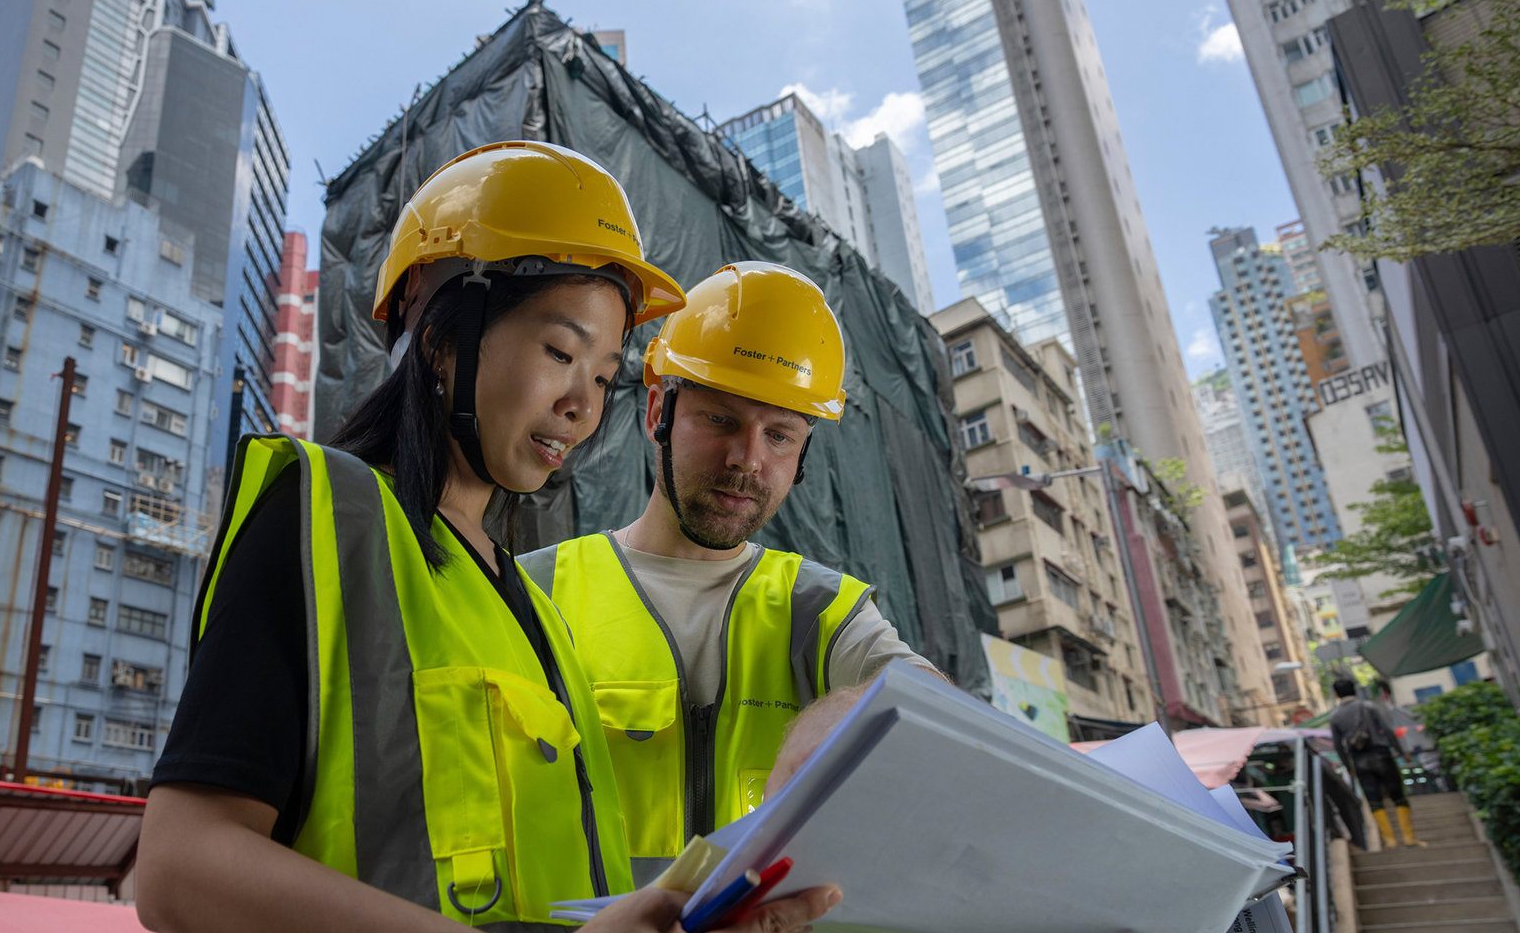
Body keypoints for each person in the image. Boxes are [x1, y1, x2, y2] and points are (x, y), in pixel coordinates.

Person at [135, 142, 839, 932]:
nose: (583, 405)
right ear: (441, 340)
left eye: (605, 376)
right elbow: (178, 869)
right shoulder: (327, 519)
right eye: (560, 352)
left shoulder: (534, 614)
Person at [520, 262, 946, 882]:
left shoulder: (822, 611)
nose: (748, 460)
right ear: (657, 412)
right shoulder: (535, 592)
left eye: (779, 435)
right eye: (720, 419)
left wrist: (853, 705)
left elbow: (946, 716)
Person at [1327, 677, 1423, 848]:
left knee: (1374, 800)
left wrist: (1349, 767)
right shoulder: (1369, 707)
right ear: (1355, 689)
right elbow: (1387, 731)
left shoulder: (1335, 716)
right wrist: (1402, 752)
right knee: (1398, 795)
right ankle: (1408, 837)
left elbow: (1338, 746)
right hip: (1381, 754)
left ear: (1336, 693)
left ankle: (1390, 840)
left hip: (1358, 759)